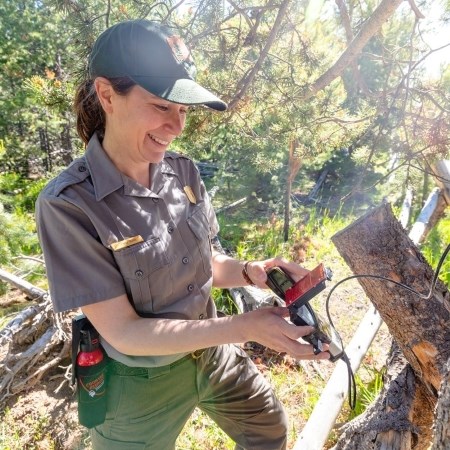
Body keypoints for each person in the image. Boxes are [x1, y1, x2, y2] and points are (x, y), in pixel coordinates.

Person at [35, 19, 330, 450]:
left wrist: (253, 273)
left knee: (268, 427)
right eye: (160, 106)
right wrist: (244, 327)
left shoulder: (183, 172)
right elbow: (126, 332)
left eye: (183, 111)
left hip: (212, 352)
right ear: (106, 95)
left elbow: (203, 264)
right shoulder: (69, 205)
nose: (175, 126)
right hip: (140, 382)